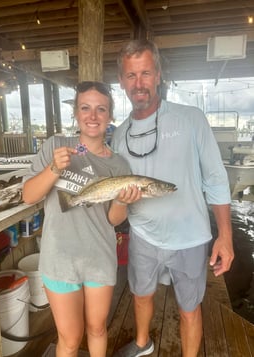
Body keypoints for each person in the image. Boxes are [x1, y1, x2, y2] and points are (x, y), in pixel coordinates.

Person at [111, 39, 234, 357]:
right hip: (142, 234)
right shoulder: (119, 134)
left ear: (159, 75)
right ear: (122, 81)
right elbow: (116, 194)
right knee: (140, 294)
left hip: (190, 236)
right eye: (131, 76)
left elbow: (216, 180)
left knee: (189, 308)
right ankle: (142, 344)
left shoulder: (192, 119)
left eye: (146, 73)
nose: (139, 84)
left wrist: (225, 235)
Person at [22, 81, 141, 357]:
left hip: (99, 257)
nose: (93, 116)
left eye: (101, 109)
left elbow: (112, 220)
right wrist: (53, 168)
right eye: (85, 108)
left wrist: (122, 200)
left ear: (110, 116)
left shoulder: (119, 165)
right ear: (76, 113)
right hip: (59, 257)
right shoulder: (56, 146)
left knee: (98, 329)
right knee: (70, 338)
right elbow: (29, 196)